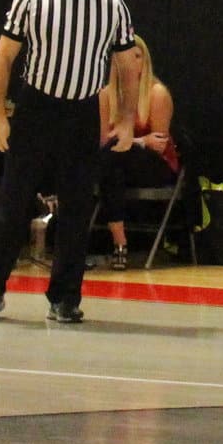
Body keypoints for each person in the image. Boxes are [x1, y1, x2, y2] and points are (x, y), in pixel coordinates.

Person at [0, 0, 146, 324]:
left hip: (83, 112)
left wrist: (126, 118)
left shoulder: (113, 5)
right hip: (37, 110)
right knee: (10, 205)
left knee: (77, 209)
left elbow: (127, 65)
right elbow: (3, 60)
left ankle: (65, 298)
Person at [96, 33, 178, 270]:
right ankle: (119, 241)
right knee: (110, 161)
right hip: (116, 163)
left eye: (137, 56)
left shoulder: (157, 93)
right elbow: (103, 141)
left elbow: (159, 145)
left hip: (154, 165)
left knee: (112, 155)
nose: (131, 61)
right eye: (124, 57)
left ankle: (119, 243)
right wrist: (141, 140)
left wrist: (133, 142)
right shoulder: (105, 95)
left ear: (146, 61)